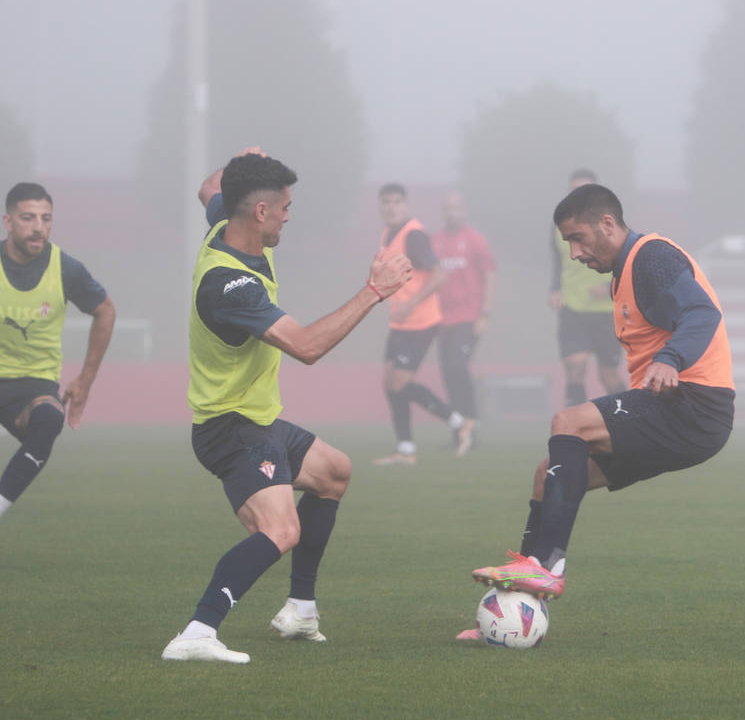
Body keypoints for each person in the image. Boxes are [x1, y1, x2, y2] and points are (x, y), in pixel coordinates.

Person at [161, 150, 412, 664]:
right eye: (285, 207)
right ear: (259, 213)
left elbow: (210, 185)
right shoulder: (230, 284)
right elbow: (306, 347)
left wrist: (243, 159)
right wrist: (374, 291)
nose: (289, 216)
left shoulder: (225, 221)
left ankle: (300, 610)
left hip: (258, 420)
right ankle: (197, 632)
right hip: (230, 429)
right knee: (281, 530)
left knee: (334, 473)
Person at [464, 183, 734, 612]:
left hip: (693, 404)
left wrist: (670, 357)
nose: (574, 253)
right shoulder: (622, 276)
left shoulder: (651, 257)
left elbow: (702, 312)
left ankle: (547, 565)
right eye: (567, 242)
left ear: (607, 224)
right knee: (547, 474)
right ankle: (520, 607)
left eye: (577, 238)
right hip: (678, 409)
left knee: (568, 423)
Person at [0, 183, 115, 521]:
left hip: (33, 388)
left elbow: (105, 311)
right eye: (28, 218)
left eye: (46, 218)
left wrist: (85, 380)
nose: (39, 227)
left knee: (50, 420)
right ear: (8, 221)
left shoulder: (65, 268)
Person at [373, 183, 464, 465]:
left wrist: (412, 303)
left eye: (396, 202)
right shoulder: (388, 233)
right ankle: (405, 449)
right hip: (400, 322)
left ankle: (458, 421)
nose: (391, 207)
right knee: (389, 383)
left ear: (406, 204)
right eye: (386, 202)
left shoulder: (414, 235)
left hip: (420, 323)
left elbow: (439, 276)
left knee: (400, 383)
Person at [549, 169, 624, 408]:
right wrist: (554, 289)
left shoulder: (610, 225)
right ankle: (577, 429)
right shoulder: (559, 226)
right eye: (574, 191)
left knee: (608, 376)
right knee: (575, 365)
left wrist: (608, 285)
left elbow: (627, 261)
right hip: (573, 307)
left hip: (605, 311)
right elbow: (557, 261)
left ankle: (628, 419)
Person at [431, 191, 495, 456]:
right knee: (448, 372)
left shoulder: (475, 240)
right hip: (441, 320)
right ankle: (459, 430)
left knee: (458, 367)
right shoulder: (434, 242)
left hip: (468, 317)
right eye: (447, 208)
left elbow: (490, 276)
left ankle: (472, 424)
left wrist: (485, 314)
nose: (451, 213)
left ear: (464, 211)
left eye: (456, 208)